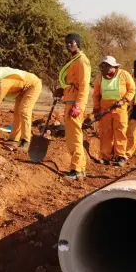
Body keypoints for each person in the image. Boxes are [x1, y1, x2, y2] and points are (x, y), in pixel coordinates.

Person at [0, 64, 42, 149]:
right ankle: (13, 139)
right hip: (21, 89)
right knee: (17, 113)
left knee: (24, 111)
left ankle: (26, 140)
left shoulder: (3, 83)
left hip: (33, 85)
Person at [54, 33, 91, 180]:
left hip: (75, 104)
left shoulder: (82, 60)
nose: (69, 45)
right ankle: (79, 169)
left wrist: (79, 105)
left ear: (78, 43)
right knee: (71, 135)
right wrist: (62, 90)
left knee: (74, 136)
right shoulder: (73, 59)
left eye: (72, 42)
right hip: (70, 101)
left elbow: (84, 85)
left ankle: (76, 170)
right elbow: (72, 82)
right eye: (67, 42)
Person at [92, 56, 136, 167]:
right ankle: (105, 157)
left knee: (120, 131)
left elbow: (132, 89)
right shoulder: (100, 78)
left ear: (114, 67)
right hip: (105, 109)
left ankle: (120, 156)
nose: (105, 68)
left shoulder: (124, 75)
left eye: (107, 66)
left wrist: (124, 100)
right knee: (105, 132)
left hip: (120, 108)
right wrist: (96, 109)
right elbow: (96, 94)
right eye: (103, 66)